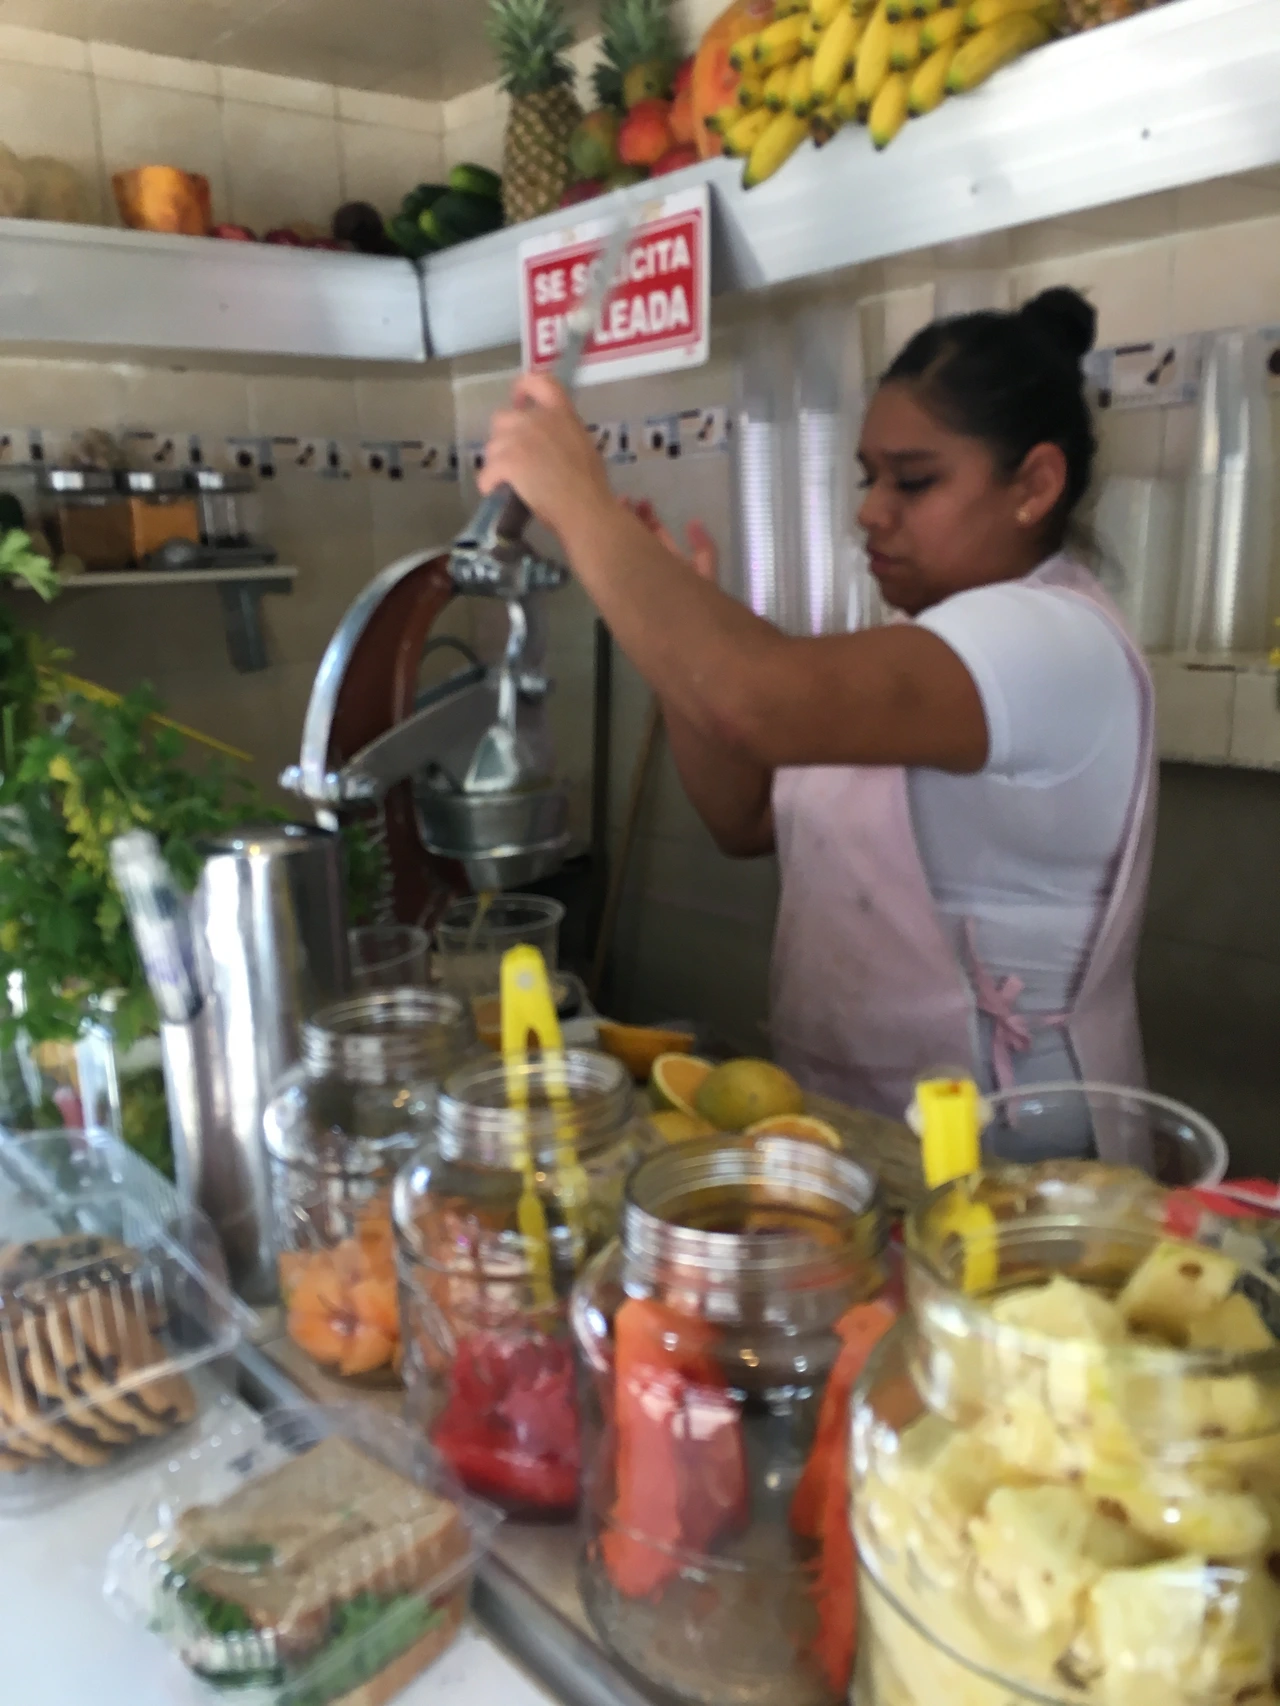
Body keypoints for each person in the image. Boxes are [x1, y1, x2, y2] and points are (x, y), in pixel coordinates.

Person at [478, 287, 1155, 1124]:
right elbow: (743, 819)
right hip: (859, 1113)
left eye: (914, 481)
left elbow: (753, 702)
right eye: (870, 478)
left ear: (1035, 485)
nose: (869, 511)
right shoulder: (921, 644)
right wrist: (672, 634)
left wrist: (580, 504)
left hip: (1007, 1138)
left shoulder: (1051, 640)